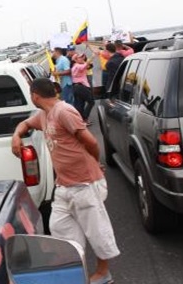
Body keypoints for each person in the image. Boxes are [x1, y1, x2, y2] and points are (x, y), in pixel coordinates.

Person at [11, 78, 120, 284]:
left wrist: (95, 163)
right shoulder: (44, 115)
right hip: (64, 185)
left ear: (35, 95)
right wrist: (16, 136)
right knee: (59, 227)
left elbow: (91, 141)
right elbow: (25, 124)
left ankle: (104, 273)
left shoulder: (64, 111)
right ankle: (75, 272)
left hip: (85, 183)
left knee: (96, 230)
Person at [72, 53, 96, 125]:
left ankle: (81, 121)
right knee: (91, 102)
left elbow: (88, 66)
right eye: (80, 57)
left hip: (77, 87)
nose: (82, 58)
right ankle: (84, 118)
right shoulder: (77, 66)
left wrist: (85, 61)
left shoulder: (76, 65)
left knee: (80, 104)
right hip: (81, 86)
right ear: (76, 59)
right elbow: (84, 67)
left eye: (83, 57)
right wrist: (92, 57)